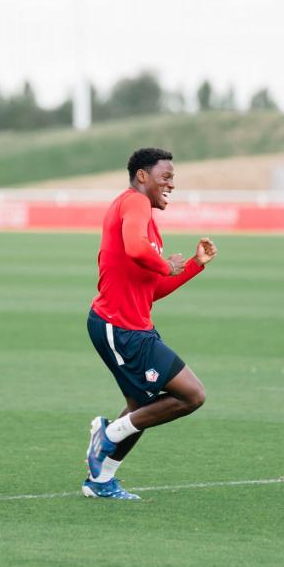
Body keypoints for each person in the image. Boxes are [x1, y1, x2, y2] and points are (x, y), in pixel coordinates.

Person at [83, 147, 217, 499]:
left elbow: (150, 291)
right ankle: (107, 435)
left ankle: (100, 481)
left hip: (131, 324)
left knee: (141, 408)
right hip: (120, 326)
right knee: (192, 395)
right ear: (143, 176)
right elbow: (133, 248)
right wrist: (166, 265)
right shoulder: (135, 203)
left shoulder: (145, 218)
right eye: (166, 177)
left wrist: (192, 265)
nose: (171, 184)